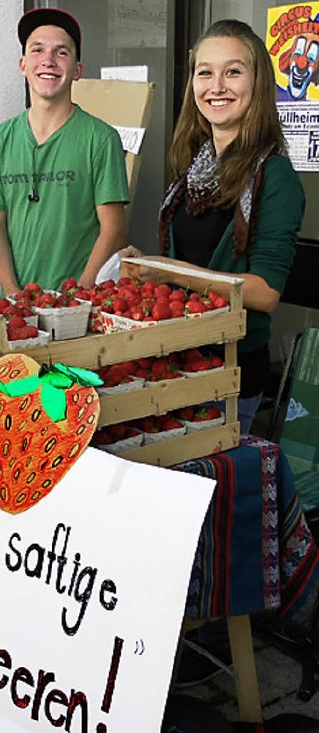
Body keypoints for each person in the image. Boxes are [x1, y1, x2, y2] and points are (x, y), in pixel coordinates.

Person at [131, 18, 305, 435]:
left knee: (217, 493)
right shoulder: (192, 170)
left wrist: (167, 271)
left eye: (233, 71)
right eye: (204, 72)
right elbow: (182, 264)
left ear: (257, 82)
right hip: (177, 362)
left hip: (230, 375)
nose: (217, 85)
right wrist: (145, 268)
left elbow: (263, 292)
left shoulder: (275, 176)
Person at [0, 7, 130, 294]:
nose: (48, 61)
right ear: (23, 65)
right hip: (18, 309)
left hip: (81, 305)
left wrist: (79, 295)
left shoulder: (100, 139)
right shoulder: (0, 140)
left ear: (77, 70)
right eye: (37, 50)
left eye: (61, 52)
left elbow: (113, 230)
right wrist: (12, 292)